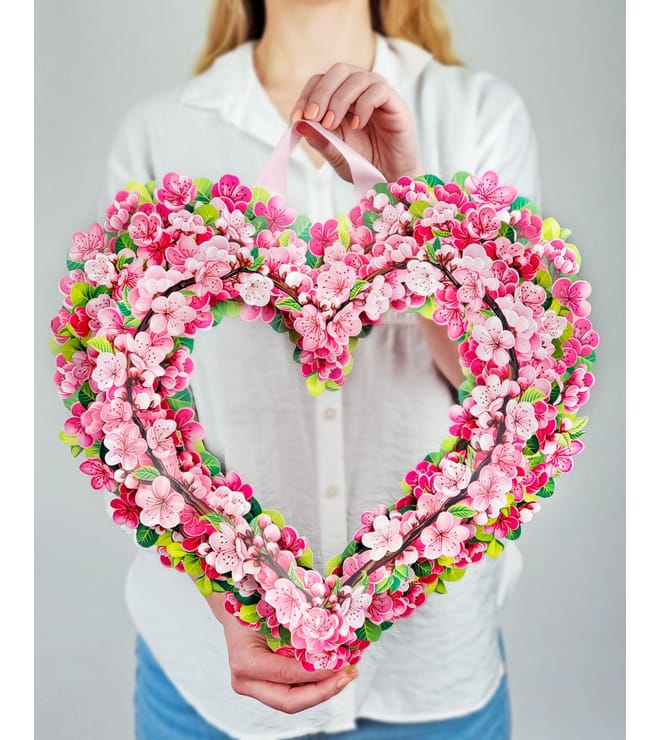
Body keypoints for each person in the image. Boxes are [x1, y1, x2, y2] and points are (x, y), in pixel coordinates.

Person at [101, 1, 541, 737]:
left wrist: (412, 209)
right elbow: (126, 413)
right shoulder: (159, 132)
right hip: (209, 678)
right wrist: (231, 593)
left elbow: (503, 383)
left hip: (429, 673)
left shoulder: (476, 113)